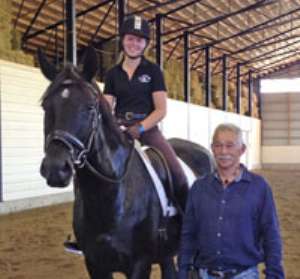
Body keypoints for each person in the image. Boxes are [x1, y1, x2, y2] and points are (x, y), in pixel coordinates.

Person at [103, 15, 188, 211]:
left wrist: (139, 128)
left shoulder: (154, 71)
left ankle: (186, 220)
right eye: (130, 38)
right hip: (119, 130)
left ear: (145, 44)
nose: (134, 44)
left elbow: (161, 109)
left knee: (176, 171)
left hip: (147, 130)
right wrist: (114, 126)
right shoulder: (112, 74)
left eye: (139, 40)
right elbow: (107, 107)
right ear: (123, 40)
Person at [177, 123, 284, 279]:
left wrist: (274, 274)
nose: (224, 151)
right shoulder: (199, 188)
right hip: (205, 274)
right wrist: (183, 270)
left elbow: (271, 233)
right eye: (219, 146)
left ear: (242, 150)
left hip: (244, 274)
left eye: (230, 145)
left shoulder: (259, 188)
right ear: (212, 149)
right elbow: (189, 233)